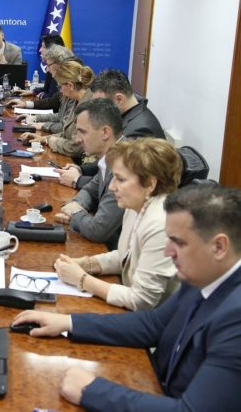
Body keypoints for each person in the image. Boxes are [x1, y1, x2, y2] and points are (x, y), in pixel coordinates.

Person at [13, 184, 241, 411]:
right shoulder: (205, 273)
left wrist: (92, 390)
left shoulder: (235, 317)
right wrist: (68, 322)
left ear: (219, 247)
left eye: (179, 242)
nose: (167, 251)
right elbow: (153, 324)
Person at [54, 138, 182, 310]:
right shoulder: (136, 204)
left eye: (120, 179)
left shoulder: (162, 225)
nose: (112, 187)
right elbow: (126, 256)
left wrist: (82, 279)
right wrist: (86, 263)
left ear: (150, 184)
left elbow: (142, 300)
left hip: (158, 321)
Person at [55, 69, 166, 190]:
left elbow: (117, 181)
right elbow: (108, 160)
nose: (97, 109)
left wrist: (78, 180)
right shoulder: (128, 113)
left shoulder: (140, 130)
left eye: (101, 103)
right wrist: (81, 169)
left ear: (119, 99)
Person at [54, 98, 125, 249]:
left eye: (82, 132)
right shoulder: (111, 156)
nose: (78, 139)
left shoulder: (123, 167)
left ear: (105, 132)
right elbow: (90, 189)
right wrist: (76, 204)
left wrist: (75, 214)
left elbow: (98, 230)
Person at [20, 60, 94, 158]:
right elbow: (66, 134)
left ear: (70, 86)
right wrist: (44, 139)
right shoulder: (77, 101)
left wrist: (52, 141)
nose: (60, 90)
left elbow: (75, 148)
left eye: (60, 86)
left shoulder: (89, 106)